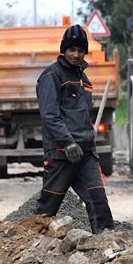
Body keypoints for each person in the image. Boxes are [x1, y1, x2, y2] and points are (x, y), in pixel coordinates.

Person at [35, 24, 114, 234]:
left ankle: (107, 242)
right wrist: (67, 142)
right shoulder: (52, 76)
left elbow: (83, 115)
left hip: (86, 154)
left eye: (80, 50)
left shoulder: (83, 78)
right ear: (64, 50)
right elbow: (50, 115)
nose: (76, 55)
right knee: (48, 206)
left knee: (98, 200)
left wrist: (86, 141)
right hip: (62, 154)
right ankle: (30, 243)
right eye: (72, 50)